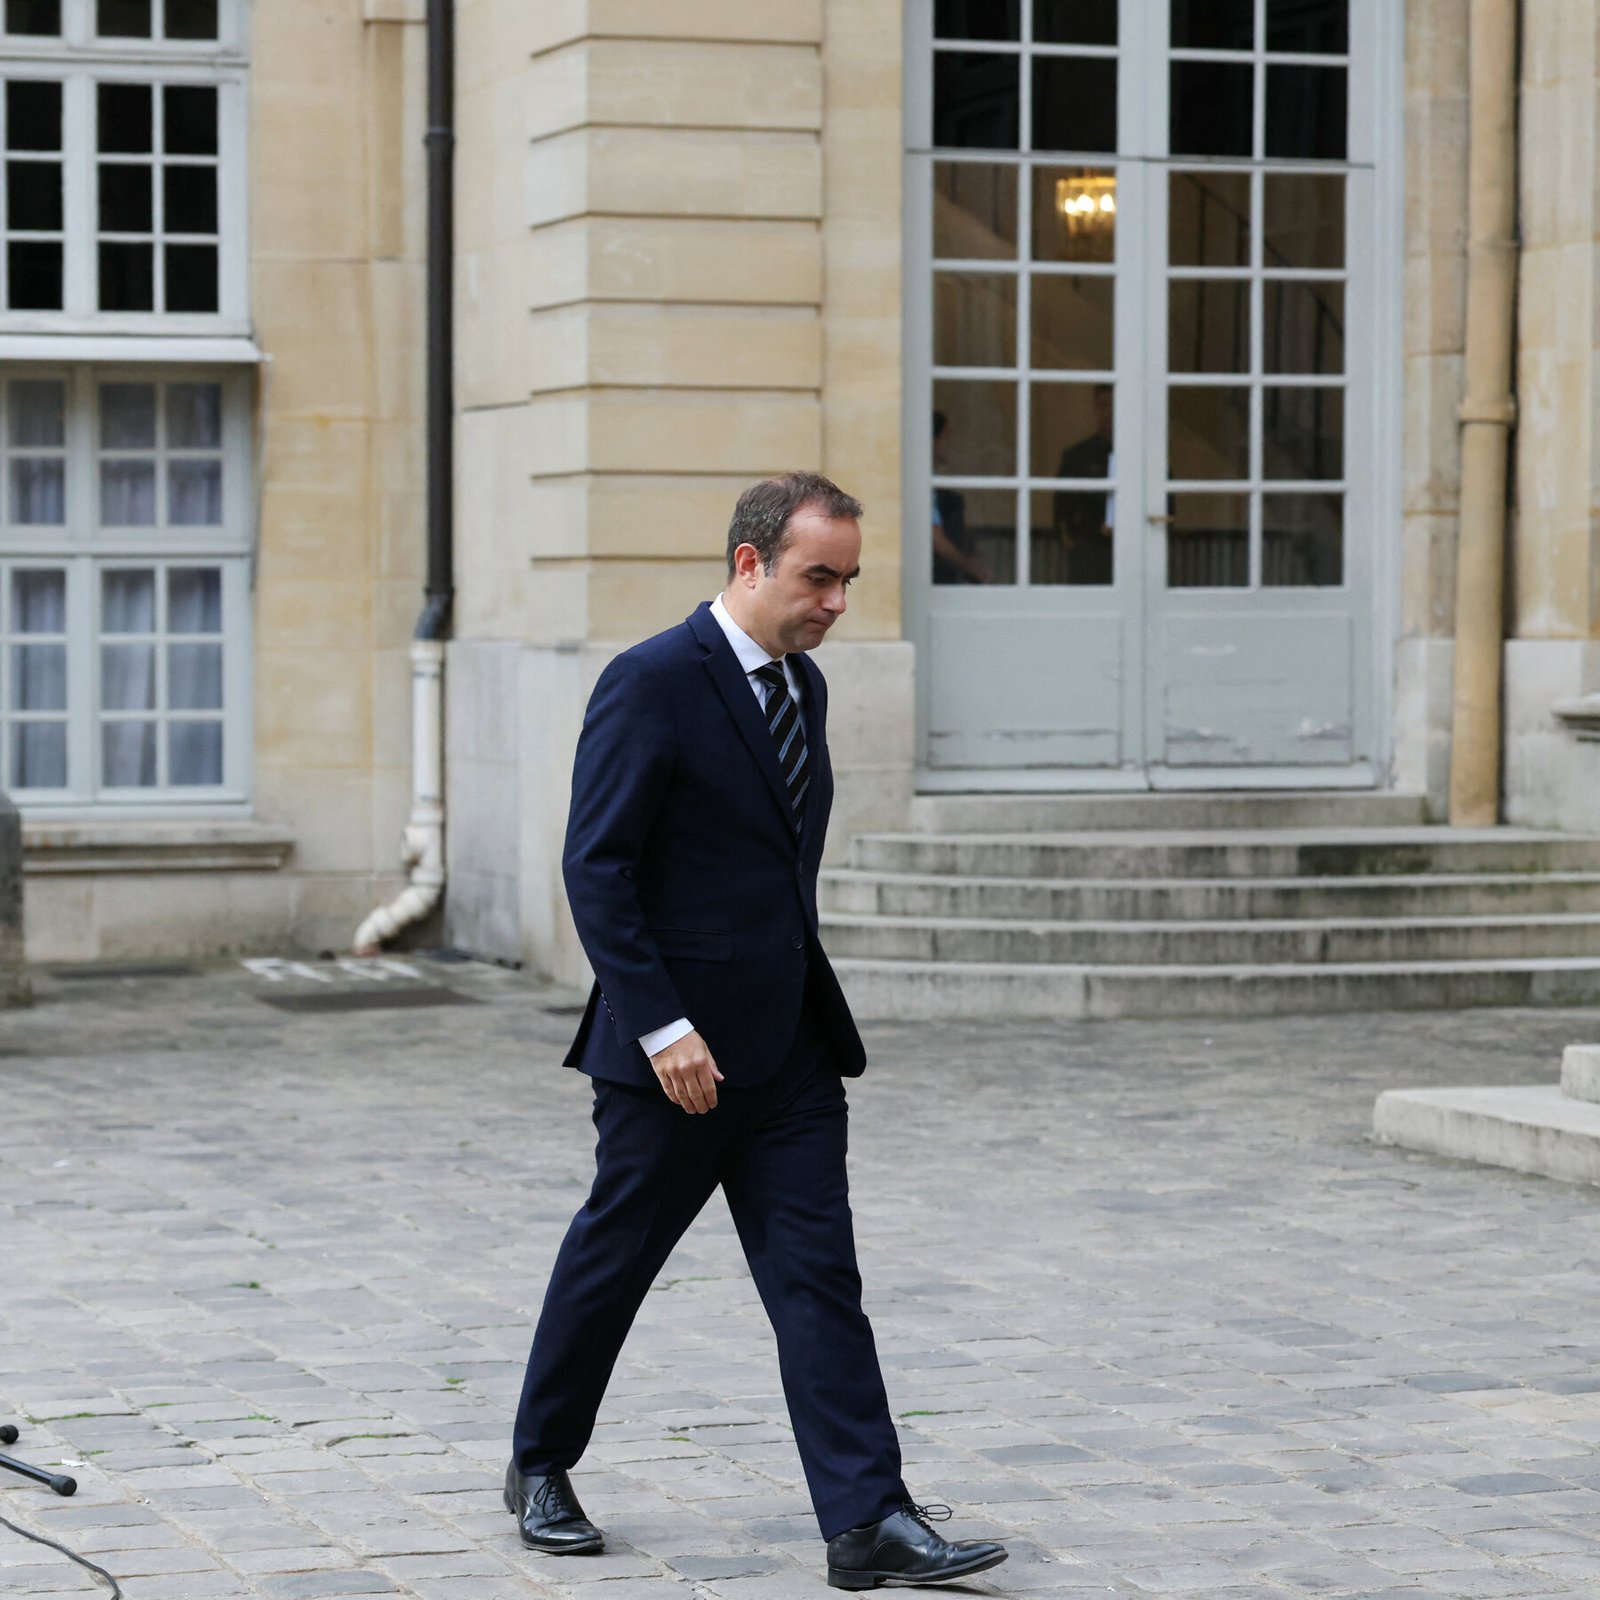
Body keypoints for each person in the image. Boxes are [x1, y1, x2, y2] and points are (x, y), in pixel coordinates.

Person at [506, 472, 1008, 1592]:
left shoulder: (803, 688)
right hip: (674, 1060)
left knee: (820, 1280)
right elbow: (597, 868)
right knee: (614, 1263)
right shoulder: (650, 680)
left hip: (790, 1050)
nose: (837, 602)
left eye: (849, 580)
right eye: (818, 577)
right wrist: (662, 1026)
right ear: (749, 562)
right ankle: (539, 1463)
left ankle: (868, 1518)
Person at [1053, 383, 1115, 586]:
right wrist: (1072, 545)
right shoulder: (1077, 456)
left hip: (1132, 549)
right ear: (1096, 407)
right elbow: (1061, 510)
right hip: (1089, 551)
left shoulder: (1144, 458)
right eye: (1104, 405)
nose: (1110, 413)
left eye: (1115, 405)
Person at [931, 411, 991, 584]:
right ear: (933, 441)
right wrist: (973, 568)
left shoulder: (931, 481)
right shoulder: (923, 485)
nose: (950, 443)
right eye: (946, 436)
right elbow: (937, 540)